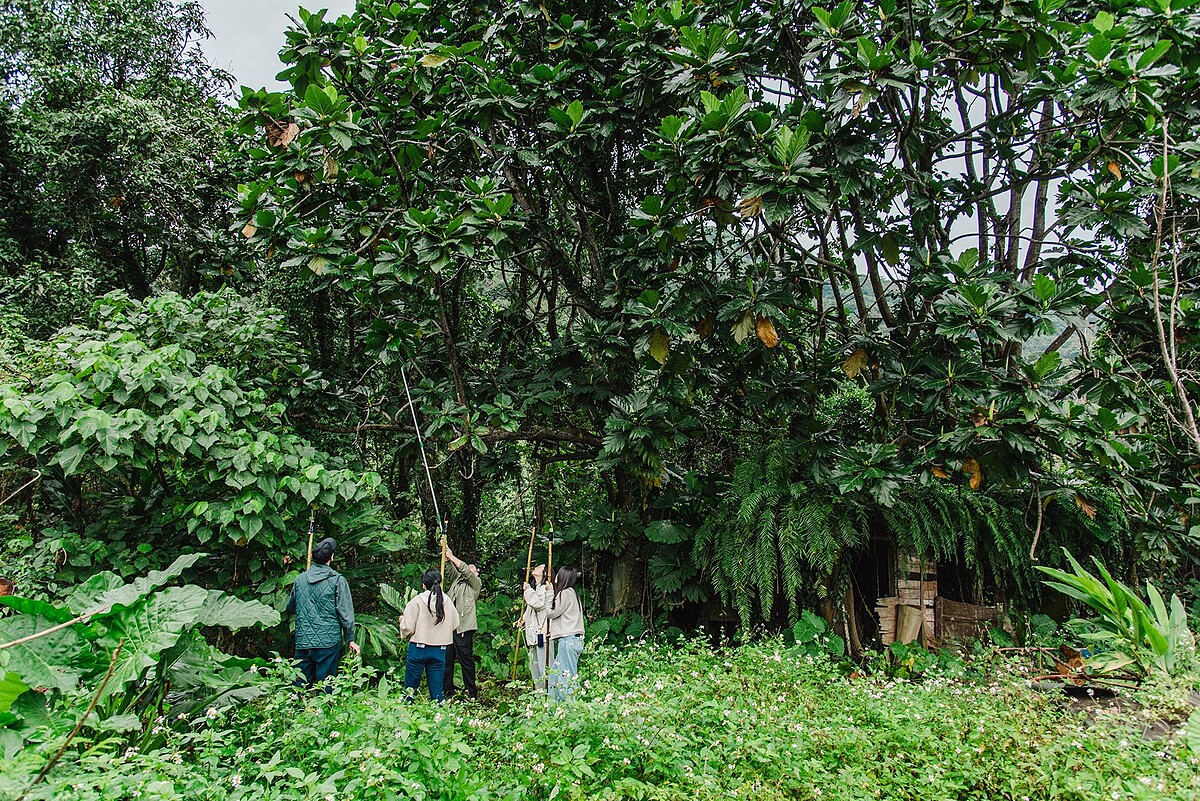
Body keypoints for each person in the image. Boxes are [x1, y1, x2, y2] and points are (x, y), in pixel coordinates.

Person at [285, 537, 359, 687]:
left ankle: (294, 709)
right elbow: (345, 613)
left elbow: (290, 607)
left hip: (304, 640)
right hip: (328, 641)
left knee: (299, 685)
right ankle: (324, 709)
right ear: (331, 557)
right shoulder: (337, 580)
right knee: (326, 685)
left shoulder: (300, 579)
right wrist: (350, 638)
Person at [399, 568, 460, 702]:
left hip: (418, 648)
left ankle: (407, 714)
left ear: (423, 584)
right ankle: (438, 715)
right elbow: (455, 623)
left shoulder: (417, 601)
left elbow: (408, 627)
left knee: (410, 689)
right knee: (437, 691)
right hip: (440, 649)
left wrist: (402, 621)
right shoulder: (447, 601)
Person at [442, 547, 482, 700]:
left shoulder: (475, 583)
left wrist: (452, 556)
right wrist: (446, 556)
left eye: (473, 568)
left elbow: (463, 569)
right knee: (447, 660)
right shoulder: (457, 580)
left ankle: (471, 692)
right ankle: (447, 691)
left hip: (464, 627)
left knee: (466, 661)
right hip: (450, 626)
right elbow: (450, 570)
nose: (469, 567)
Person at [545, 565, 585, 702]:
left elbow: (552, 612)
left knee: (565, 678)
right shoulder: (573, 593)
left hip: (568, 641)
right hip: (572, 639)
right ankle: (557, 709)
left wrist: (550, 593)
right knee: (555, 676)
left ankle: (572, 710)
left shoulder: (565, 593)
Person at [522, 563, 549, 688]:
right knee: (534, 666)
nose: (535, 567)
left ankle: (547, 694)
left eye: (539, 567)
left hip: (542, 633)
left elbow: (538, 603)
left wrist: (527, 590)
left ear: (544, 573)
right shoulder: (536, 587)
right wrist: (523, 619)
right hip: (533, 633)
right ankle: (539, 693)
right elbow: (530, 610)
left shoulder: (545, 588)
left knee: (543, 665)